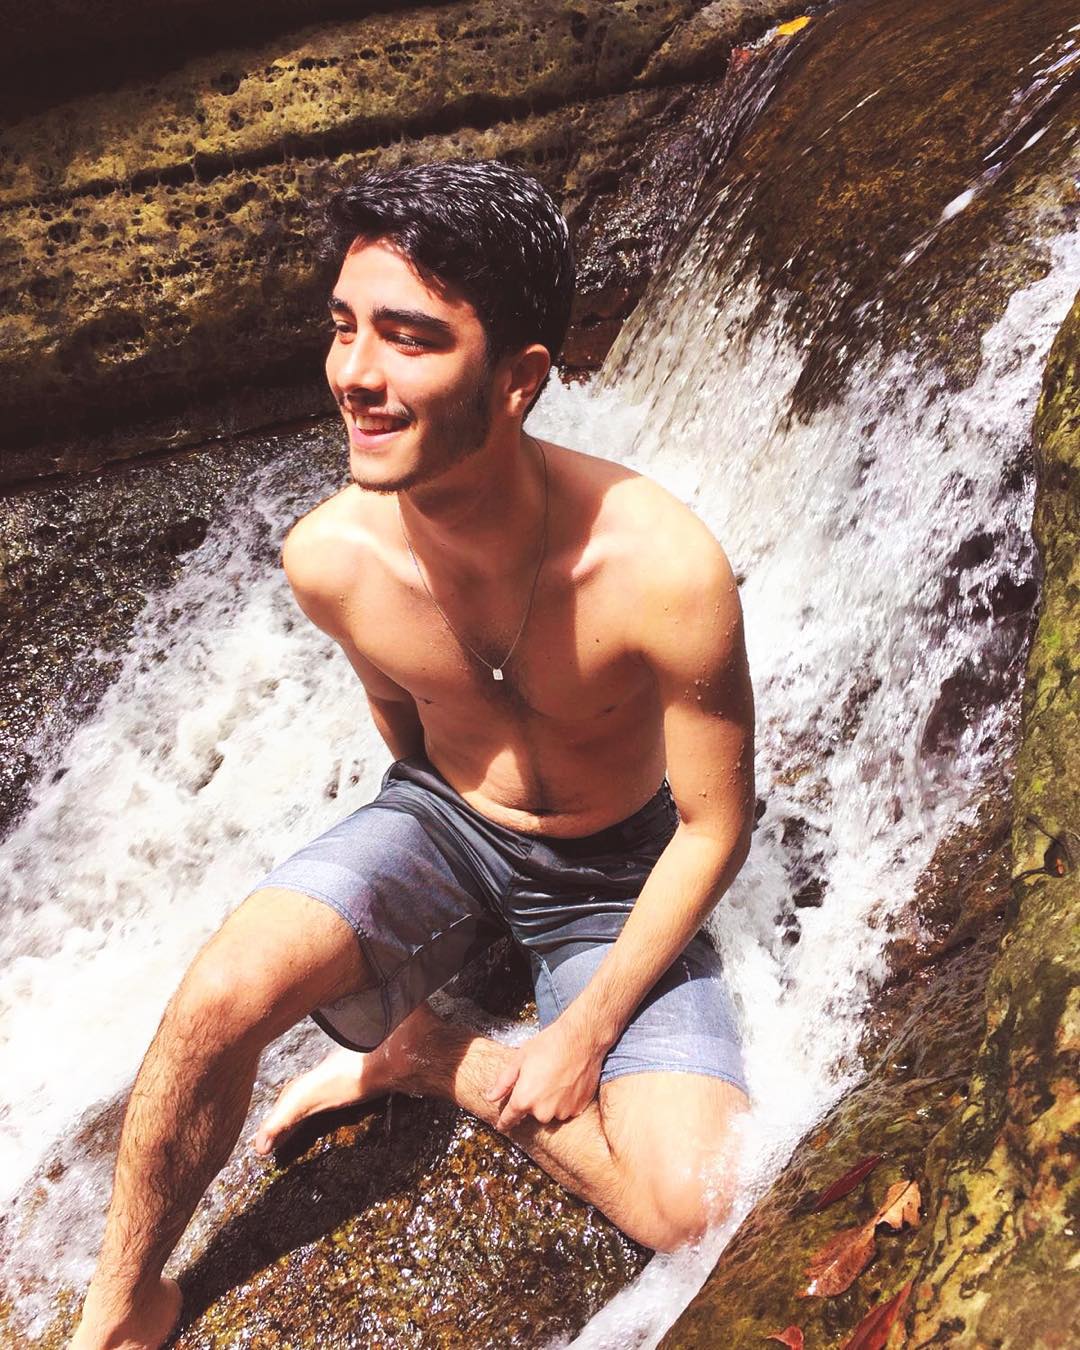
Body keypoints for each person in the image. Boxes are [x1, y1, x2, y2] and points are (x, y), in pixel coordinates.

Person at [70, 159, 755, 1350]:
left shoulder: (662, 569)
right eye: (345, 328)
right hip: (445, 826)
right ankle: (122, 1307)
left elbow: (716, 826)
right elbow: (409, 741)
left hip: (617, 872)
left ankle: (430, 1052)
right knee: (221, 996)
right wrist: (407, 905)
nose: (356, 374)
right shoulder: (331, 560)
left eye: (410, 338)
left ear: (518, 380)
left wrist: (581, 1031)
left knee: (690, 1205)